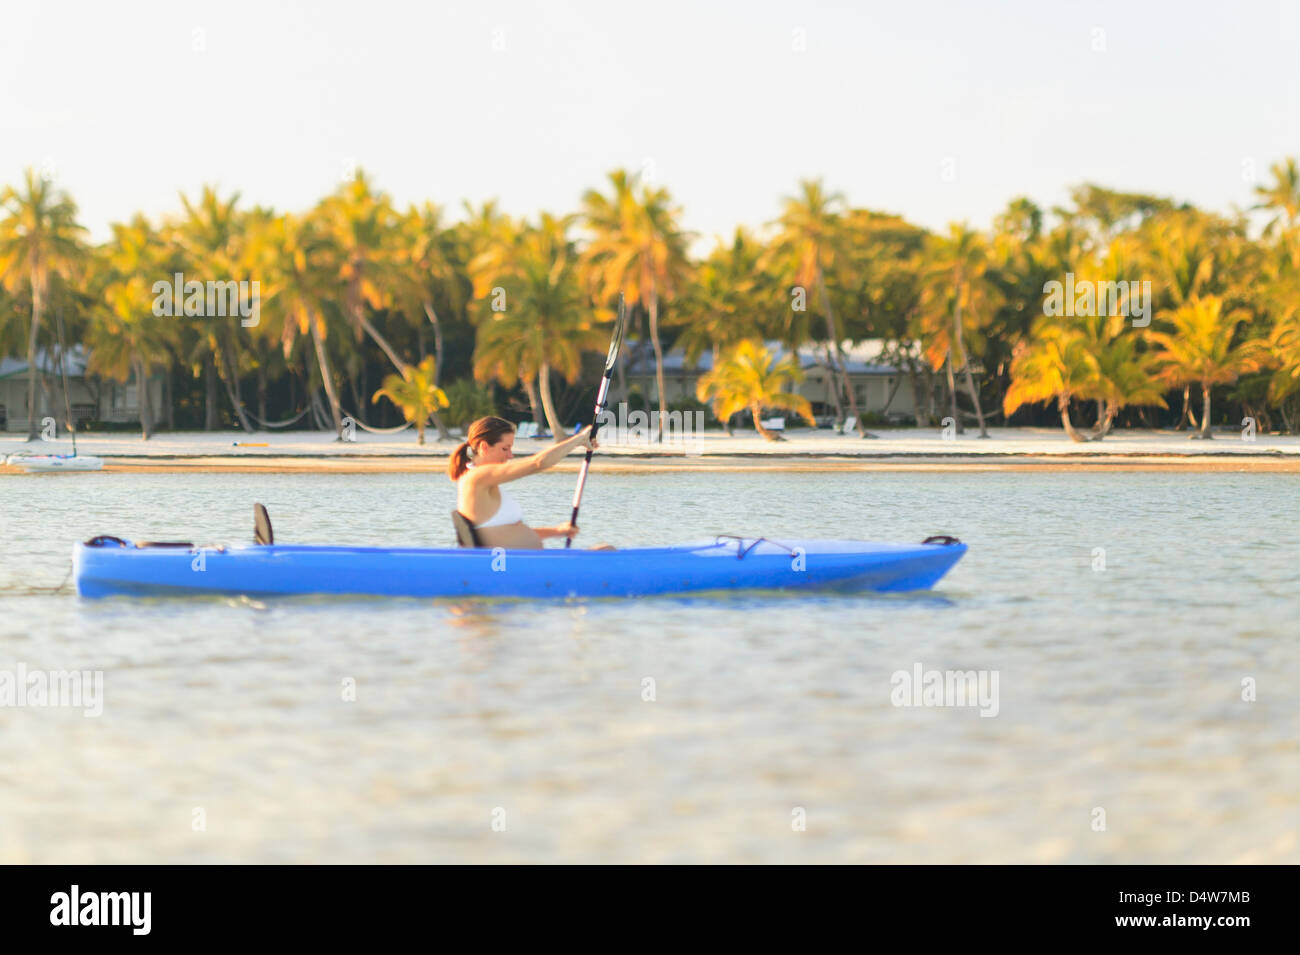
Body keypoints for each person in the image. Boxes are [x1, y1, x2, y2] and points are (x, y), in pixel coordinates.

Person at [449, 416, 611, 549]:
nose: (510, 456)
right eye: (505, 448)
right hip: (513, 567)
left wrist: (557, 531)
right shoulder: (477, 477)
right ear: (484, 447)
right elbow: (538, 463)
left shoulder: (480, 480)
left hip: (524, 562)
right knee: (607, 552)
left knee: (606, 550)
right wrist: (578, 439)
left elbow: (504, 532)